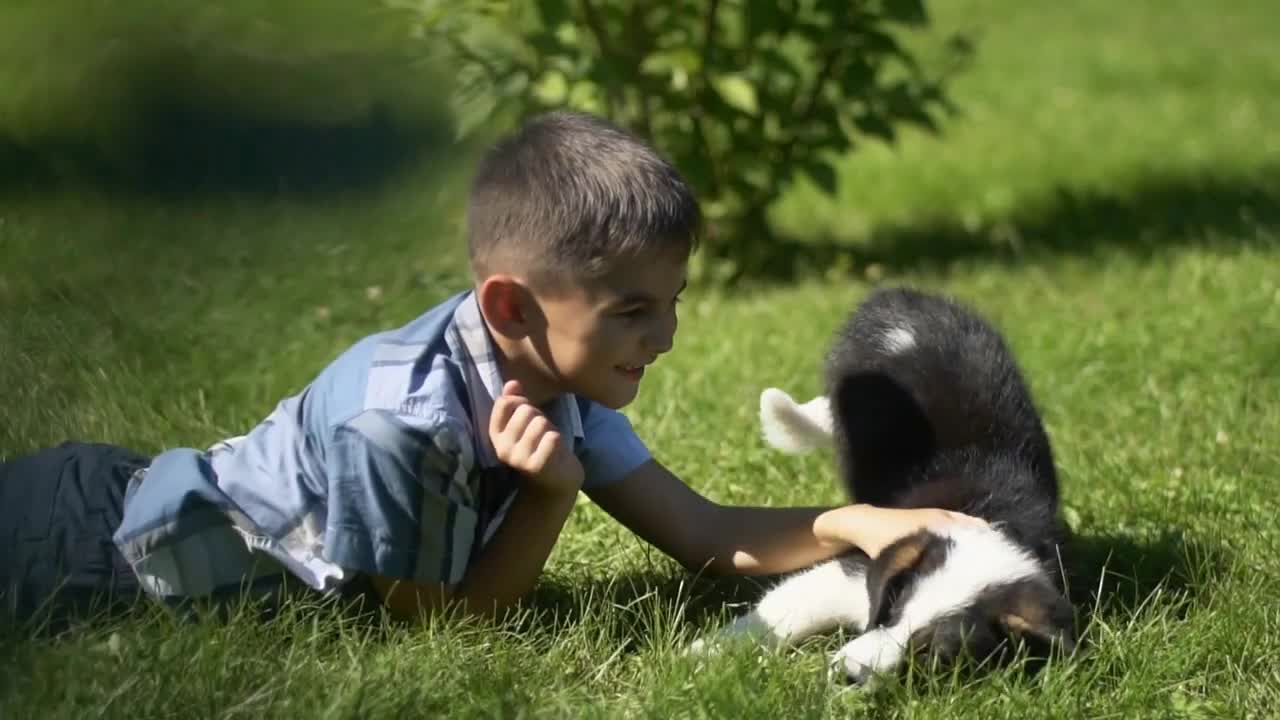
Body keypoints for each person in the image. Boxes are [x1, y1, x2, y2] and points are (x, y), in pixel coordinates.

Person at [0, 111, 981, 625]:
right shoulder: (405, 428)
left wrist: (854, 521)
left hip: (119, 493)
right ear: (512, 305)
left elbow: (703, 535)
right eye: (632, 310)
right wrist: (550, 498)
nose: (666, 335)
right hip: (91, 557)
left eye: (673, 301)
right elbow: (447, 631)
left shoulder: (544, 373)